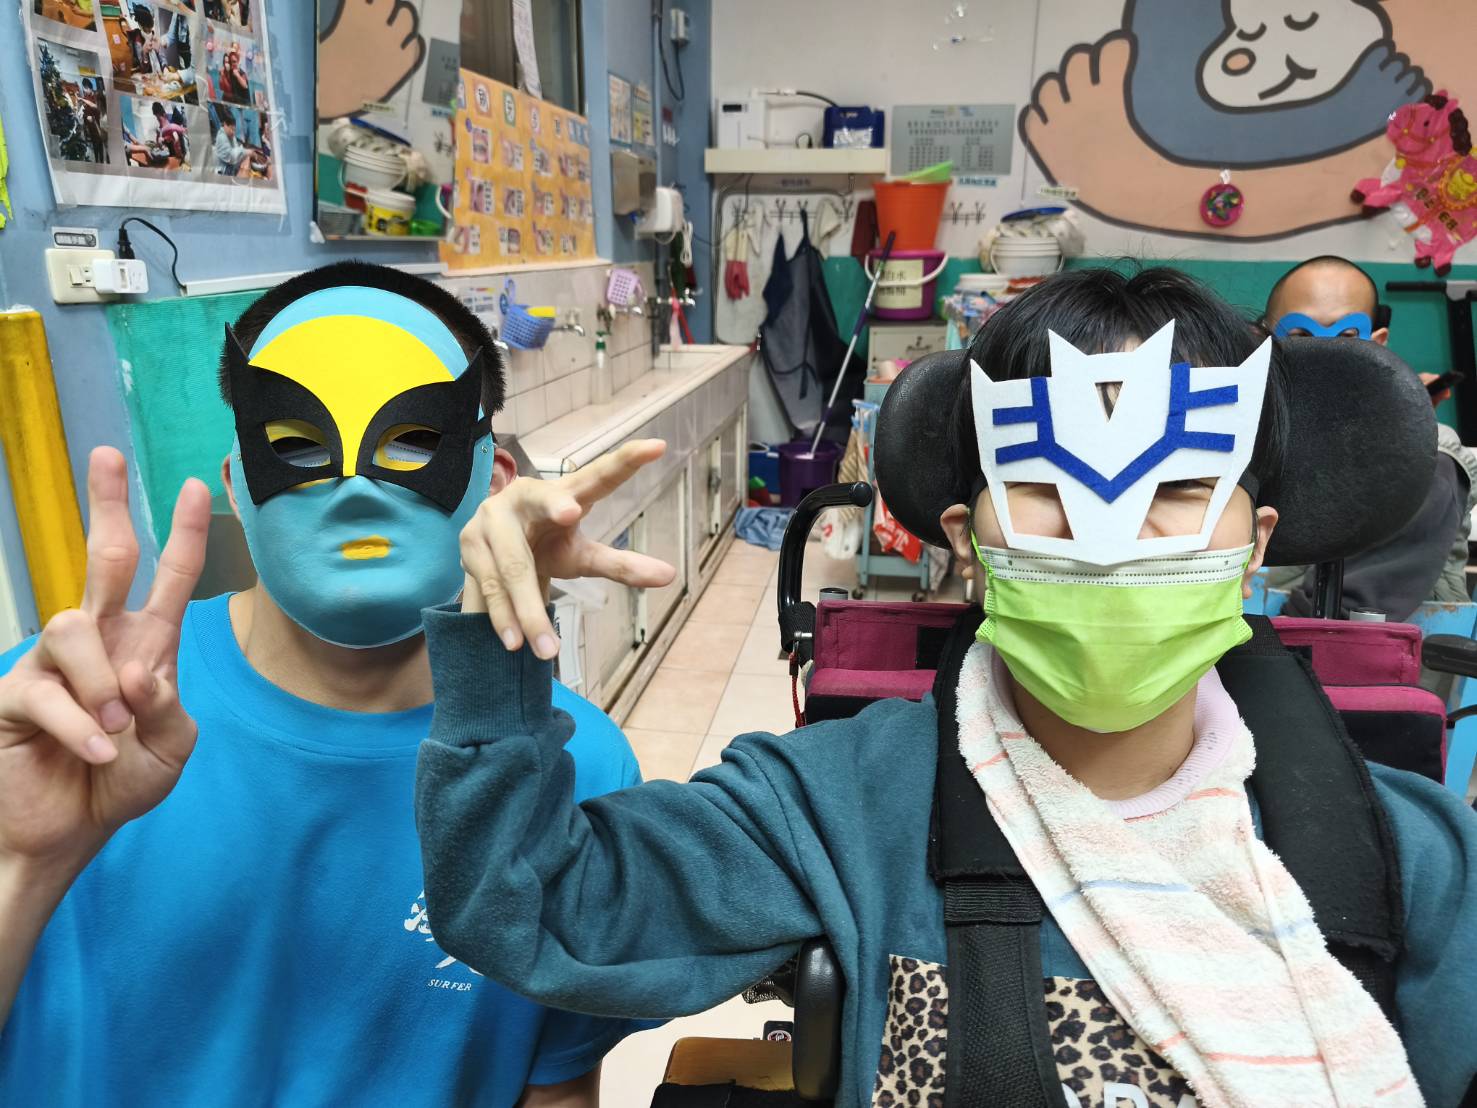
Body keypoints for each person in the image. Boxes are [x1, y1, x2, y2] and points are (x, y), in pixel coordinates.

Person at [415, 268, 1477, 1108]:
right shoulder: (836, 807)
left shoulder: (1409, 859)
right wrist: (492, 638)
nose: (1111, 539)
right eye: (1047, 488)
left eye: (1181, 489)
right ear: (966, 541)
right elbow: (533, 908)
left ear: (1254, 544)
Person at [0, 263, 648, 1105]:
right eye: (297, 448)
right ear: (239, 486)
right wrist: (20, 866)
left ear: (494, 485)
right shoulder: (53, 724)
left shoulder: (575, 767)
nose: (354, 491)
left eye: (412, 442)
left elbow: (554, 1091)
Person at [1262, 255, 1477, 619]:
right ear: (1265, 340)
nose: (1325, 353)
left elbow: (1349, 608)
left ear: (1378, 343)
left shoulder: (1429, 458)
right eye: (1301, 336)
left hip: (1390, 647)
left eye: (1346, 337)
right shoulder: (1256, 438)